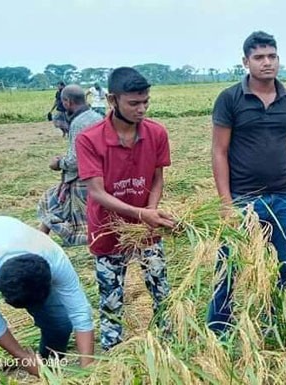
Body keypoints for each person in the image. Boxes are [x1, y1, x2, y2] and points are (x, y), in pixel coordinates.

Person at [207, 31, 286, 334]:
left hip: (282, 198)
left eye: (272, 56)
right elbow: (219, 151)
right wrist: (225, 203)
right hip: (243, 199)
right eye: (259, 57)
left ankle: (271, 324)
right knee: (230, 264)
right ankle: (219, 328)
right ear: (245, 61)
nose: (267, 63)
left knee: (279, 264)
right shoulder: (230, 99)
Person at [76, 67, 175, 351]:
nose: (141, 108)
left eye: (146, 101)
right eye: (134, 103)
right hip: (107, 230)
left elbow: (157, 178)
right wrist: (142, 214)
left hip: (146, 229)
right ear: (111, 99)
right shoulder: (90, 138)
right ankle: (112, 349)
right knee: (110, 295)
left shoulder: (156, 133)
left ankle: (166, 341)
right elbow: (96, 192)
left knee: (160, 287)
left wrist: (150, 213)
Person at [0, 216, 94, 384]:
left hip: (9, 238)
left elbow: (80, 312)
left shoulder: (53, 258)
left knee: (60, 324)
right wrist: (24, 358)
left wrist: (88, 368)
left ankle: (50, 369)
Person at [37, 84, 103, 246]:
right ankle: (39, 240)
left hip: (83, 177)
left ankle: (39, 242)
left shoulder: (79, 123)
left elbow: (76, 160)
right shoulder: (96, 117)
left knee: (52, 203)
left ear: (66, 102)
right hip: (98, 173)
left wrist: (58, 163)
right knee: (54, 203)